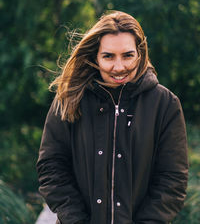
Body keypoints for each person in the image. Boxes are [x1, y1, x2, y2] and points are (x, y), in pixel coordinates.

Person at [37, 11, 188, 224]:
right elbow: (51, 166)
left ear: (140, 54)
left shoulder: (165, 104)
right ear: (95, 57)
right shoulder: (70, 98)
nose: (119, 67)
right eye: (108, 56)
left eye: (127, 55)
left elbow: (172, 179)